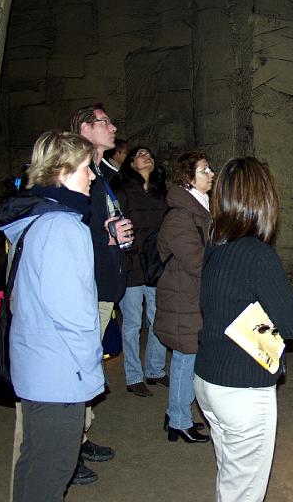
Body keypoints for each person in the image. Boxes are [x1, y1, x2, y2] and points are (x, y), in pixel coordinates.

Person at [0, 131, 105, 502]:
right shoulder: (62, 226)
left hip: (35, 362)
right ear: (62, 171)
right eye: (86, 168)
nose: (92, 176)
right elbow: (72, 311)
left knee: (35, 462)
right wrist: (89, 364)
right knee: (53, 468)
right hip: (59, 369)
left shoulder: (36, 218)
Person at [195, 157, 293, 502]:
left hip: (209, 379)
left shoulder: (215, 248)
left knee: (230, 477)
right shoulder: (258, 255)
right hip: (241, 390)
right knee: (243, 492)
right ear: (263, 200)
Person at [69, 104, 133, 482]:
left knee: (90, 366)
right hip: (87, 289)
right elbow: (70, 227)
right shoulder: (74, 175)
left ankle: (80, 436)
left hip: (105, 285)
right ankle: (68, 449)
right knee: (77, 370)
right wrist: (105, 236)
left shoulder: (100, 175)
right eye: (104, 122)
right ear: (85, 129)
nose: (112, 127)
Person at [154, 151, 214, 443]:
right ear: (189, 178)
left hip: (191, 295)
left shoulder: (200, 209)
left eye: (210, 169)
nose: (211, 174)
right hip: (182, 297)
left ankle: (175, 413)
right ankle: (179, 421)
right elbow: (196, 261)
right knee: (185, 357)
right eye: (204, 170)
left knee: (190, 356)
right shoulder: (180, 216)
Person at [115, 146, 169, 398]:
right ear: (131, 164)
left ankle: (155, 370)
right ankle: (134, 376)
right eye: (141, 154)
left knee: (158, 318)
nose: (147, 156)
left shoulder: (161, 192)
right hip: (132, 263)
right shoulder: (123, 191)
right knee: (133, 323)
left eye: (150, 154)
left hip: (156, 263)